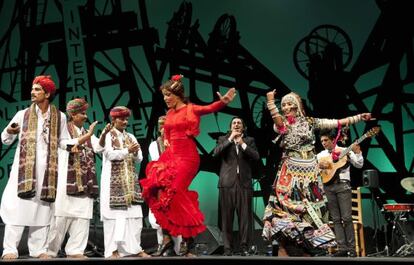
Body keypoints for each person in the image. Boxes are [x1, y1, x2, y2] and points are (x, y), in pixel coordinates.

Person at [262, 89, 372, 256]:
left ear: (298, 105)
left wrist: (358, 117)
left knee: (311, 208)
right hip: (290, 171)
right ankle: (287, 242)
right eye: (283, 104)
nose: (286, 107)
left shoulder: (311, 122)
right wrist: (271, 102)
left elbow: (336, 122)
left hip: (310, 173)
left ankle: (308, 245)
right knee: (288, 206)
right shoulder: (283, 124)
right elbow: (278, 122)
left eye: (289, 103)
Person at [140, 74, 236, 257]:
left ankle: (188, 240)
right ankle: (169, 239)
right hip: (171, 155)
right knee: (158, 190)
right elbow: (167, 132)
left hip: (188, 157)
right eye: (164, 96)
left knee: (175, 191)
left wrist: (222, 102)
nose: (166, 99)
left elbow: (209, 108)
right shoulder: (169, 113)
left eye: (168, 95)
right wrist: (167, 142)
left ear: (177, 94)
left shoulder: (191, 109)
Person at [0, 75, 73, 260]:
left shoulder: (60, 116)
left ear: (47, 94)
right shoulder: (22, 114)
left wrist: (73, 144)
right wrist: (9, 131)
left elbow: (63, 140)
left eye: (37, 89)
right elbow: (4, 138)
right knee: (18, 207)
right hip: (23, 171)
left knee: (42, 208)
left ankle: (38, 249)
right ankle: (10, 248)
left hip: (47, 171)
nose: (33, 92)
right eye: (33, 89)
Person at [47, 98, 111, 258]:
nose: (85, 116)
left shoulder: (86, 133)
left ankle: (75, 250)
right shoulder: (64, 130)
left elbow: (98, 147)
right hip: (65, 181)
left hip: (85, 183)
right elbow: (66, 144)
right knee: (60, 219)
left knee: (82, 218)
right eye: (82, 113)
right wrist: (87, 135)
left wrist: (103, 135)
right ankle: (50, 251)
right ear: (73, 115)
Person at [100, 106, 150, 258]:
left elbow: (139, 158)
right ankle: (113, 250)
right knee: (115, 218)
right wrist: (128, 150)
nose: (125, 121)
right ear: (113, 120)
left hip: (130, 182)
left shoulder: (131, 137)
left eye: (126, 119)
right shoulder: (108, 136)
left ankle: (135, 249)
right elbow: (109, 154)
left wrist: (134, 152)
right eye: (122, 119)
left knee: (134, 217)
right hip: (113, 183)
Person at [213, 117, 260, 256]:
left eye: (239, 122)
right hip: (227, 183)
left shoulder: (249, 141)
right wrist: (230, 139)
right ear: (230, 127)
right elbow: (216, 153)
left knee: (245, 218)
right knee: (226, 218)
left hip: (244, 183)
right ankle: (228, 248)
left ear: (243, 126)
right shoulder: (223, 139)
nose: (237, 124)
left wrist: (243, 144)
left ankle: (244, 247)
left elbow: (256, 156)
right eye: (234, 123)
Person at [317, 129, 364, 257]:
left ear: (333, 140)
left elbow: (359, 164)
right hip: (328, 187)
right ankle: (342, 248)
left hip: (343, 185)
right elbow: (316, 171)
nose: (323, 143)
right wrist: (320, 167)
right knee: (336, 219)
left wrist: (358, 152)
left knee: (347, 218)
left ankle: (352, 249)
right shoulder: (321, 155)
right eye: (322, 141)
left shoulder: (345, 150)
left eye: (326, 140)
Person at [147, 116, 182, 256]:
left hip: (176, 183)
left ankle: (178, 249)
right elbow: (159, 162)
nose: (164, 129)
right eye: (161, 126)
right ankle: (163, 246)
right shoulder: (154, 145)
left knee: (176, 216)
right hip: (161, 184)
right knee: (160, 217)